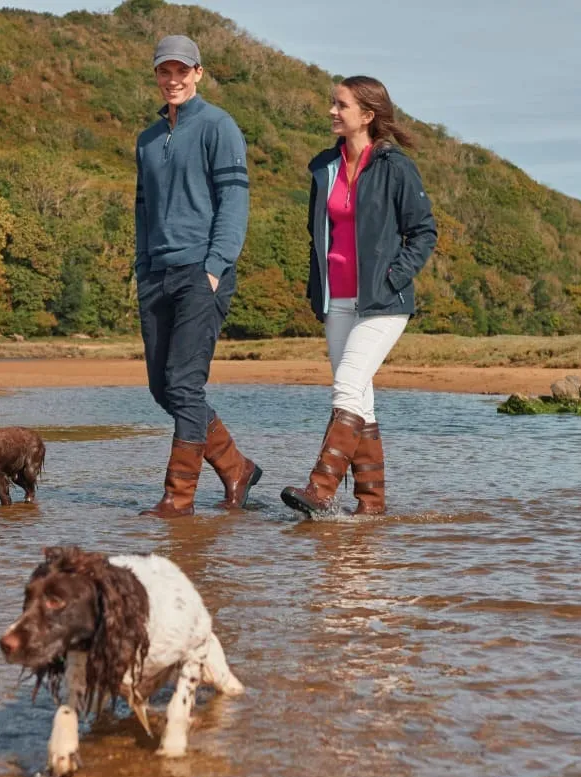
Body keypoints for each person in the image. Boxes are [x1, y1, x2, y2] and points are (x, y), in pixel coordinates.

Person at [281, 76, 437, 517]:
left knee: (346, 387)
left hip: (383, 302)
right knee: (360, 399)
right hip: (338, 301)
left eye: (341, 104)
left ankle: (320, 489)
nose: (332, 110)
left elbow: (424, 232)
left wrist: (394, 277)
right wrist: (318, 291)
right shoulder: (323, 167)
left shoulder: (395, 167)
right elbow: (316, 236)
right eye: (333, 102)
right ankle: (371, 506)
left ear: (366, 115)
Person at [134, 35, 261, 518]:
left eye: (181, 71)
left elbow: (234, 203)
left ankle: (177, 499)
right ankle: (236, 468)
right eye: (165, 71)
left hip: (201, 272)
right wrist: (143, 266)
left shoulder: (218, 127)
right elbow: (142, 210)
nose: (173, 80)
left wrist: (215, 266)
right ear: (156, 75)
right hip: (156, 273)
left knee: (184, 386)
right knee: (162, 389)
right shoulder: (147, 138)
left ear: (198, 73)